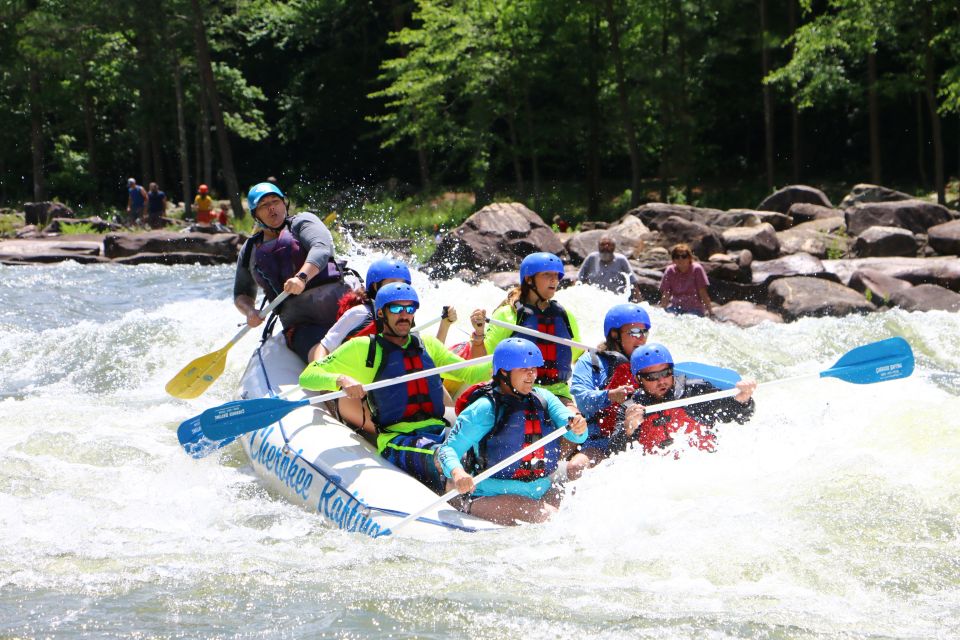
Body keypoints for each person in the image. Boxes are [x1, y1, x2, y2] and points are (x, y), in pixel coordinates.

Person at [299, 283, 492, 493]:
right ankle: (464, 502)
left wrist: (502, 356)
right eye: (396, 309)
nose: (404, 315)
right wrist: (341, 380)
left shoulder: (426, 344)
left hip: (439, 429)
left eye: (409, 309)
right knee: (446, 458)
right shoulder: (364, 348)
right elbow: (308, 376)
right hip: (397, 439)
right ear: (381, 312)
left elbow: (470, 373)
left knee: (484, 452)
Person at [436, 338, 588, 525]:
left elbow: (574, 431)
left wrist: (579, 427)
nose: (532, 374)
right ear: (504, 372)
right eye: (524, 369)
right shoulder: (485, 408)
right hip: (492, 493)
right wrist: (458, 473)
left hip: (540, 488)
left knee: (580, 511)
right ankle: (462, 502)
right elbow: (447, 450)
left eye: (534, 368)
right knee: (551, 519)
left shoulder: (544, 398)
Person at [234, 181, 354, 363]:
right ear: (255, 214)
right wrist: (250, 311)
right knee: (322, 359)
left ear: (284, 203)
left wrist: (302, 277)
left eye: (275, 201)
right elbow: (241, 294)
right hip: (302, 325)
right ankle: (330, 381)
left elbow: (321, 248)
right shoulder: (250, 249)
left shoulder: (302, 222)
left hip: (344, 309)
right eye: (264, 205)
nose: (272, 208)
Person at [315, 258, 486, 360]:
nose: (398, 289)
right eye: (392, 283)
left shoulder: (405, 316)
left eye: (402, 284)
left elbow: (426, 359)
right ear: (375, 286)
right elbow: (325, 346)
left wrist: (445, 324)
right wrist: (325, 381)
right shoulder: (359, 313)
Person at [609, 343, 756, 457]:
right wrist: (627, 430)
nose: (661, 381)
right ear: (638, 379)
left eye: (666, 373)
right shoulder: (630, 408)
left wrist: (743, 400)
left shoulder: (695, 391)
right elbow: (614, 453)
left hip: (703, 463)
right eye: (652, 377)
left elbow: (740, 417)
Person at [570, 303, 651, 462]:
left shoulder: (650, 363)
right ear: (615, 334)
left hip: (640, 434)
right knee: (577, 467)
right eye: (634, 332)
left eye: (644, 332)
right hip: (601, 439)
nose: (641, 337)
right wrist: (610, 396)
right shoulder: (591, 361)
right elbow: (581, 399)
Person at [659, 243, 714, 317]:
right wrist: (662, 311)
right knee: (669, 317)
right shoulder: (670, 271)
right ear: (673, 259)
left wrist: (710, 311)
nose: (680, 259)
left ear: (689, 258)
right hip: (676, 307)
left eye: (684, 256)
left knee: (688, 319)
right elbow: (666, 293)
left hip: (694, 308)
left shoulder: (697, 269)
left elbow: (702, 292)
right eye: (677, 256)